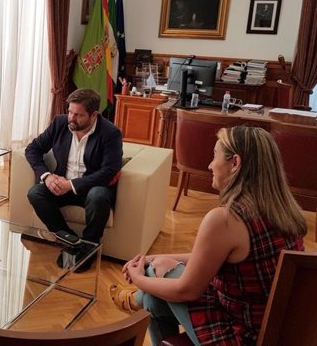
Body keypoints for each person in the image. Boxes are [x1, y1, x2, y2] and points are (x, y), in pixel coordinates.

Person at [110, 126, 306, 345]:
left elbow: (187, 290)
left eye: (214, 156)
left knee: (156, 274)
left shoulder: (225, 219)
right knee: (154, 291)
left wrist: (140, 278)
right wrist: (151, 258)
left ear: (235, 163)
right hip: (274, 329)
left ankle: (135, 298)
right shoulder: (287, 211)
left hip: (241, 335)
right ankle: (138, 298)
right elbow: (207, 257)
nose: (210, 164)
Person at [25, 88, 123, 272]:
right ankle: (70, 241)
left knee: (98, 197)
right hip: (61, 184)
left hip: (91, 188)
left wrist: (71, 185)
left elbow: (110, 170)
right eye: (70, 111)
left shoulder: (111, 133)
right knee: (35, 193)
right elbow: (33, 149)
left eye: (78, 115)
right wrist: (47, 176)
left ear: (93, 115)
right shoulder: (60, 123)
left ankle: (88, 247)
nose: (71, 118)